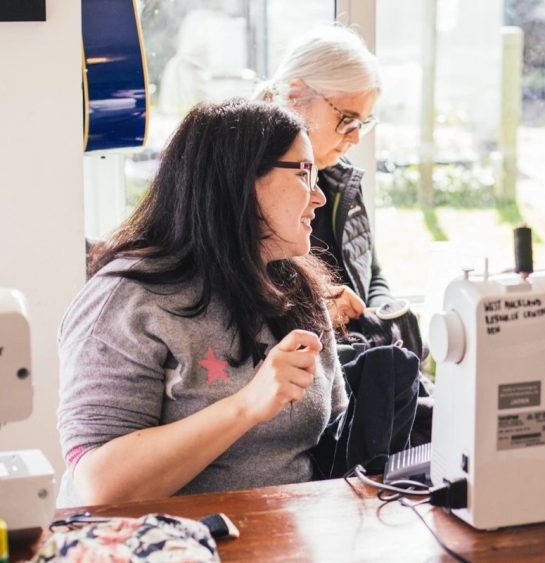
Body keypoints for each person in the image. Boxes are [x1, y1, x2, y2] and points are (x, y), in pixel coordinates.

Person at [57, 99, 414, 507]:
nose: (317, 196)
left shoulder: (299, 289)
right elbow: (99, 485)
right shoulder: (127, 299)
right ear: (239, 181)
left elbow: (327, 443)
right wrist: (246, 405)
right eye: (304, 173)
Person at [254, 25, 395, 337]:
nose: (357, 137)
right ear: (296, 96)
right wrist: (315, 306)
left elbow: (371, 270)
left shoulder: (342, 177)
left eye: (364, 123)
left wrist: (384, 316)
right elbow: (235, 294)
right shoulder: (249, 187)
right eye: (347, 120)